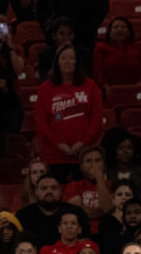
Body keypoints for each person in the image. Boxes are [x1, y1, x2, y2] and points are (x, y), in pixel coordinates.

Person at [35, 44, 104, 181]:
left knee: (86, 192)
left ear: (77, 62)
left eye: (71, 58)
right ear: (57, 62)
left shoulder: (90, 85)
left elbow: (96, 119)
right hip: (54, 155)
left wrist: (83, 142)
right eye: (63, 58)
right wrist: (58, 144)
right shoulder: (45, 89)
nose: (67, 62)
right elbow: (40, 122)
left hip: (84, 154)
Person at [15, 174, 90, 250]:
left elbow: (85, 243)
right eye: (44, 188)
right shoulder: (23, 215)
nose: (49, 191)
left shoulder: (76, 212)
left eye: (54, 188)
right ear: (36, 191)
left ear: (61, 191)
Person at [92, 16, 141, 88]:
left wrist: (139, 86)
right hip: (108, 89)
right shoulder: (100, 48)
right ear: (109, 32)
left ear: (129, 31)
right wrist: (106, 87)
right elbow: (97, 71)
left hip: (136, 88)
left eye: (123, 27)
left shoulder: (138, 47)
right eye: (115, 27)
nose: (120, 29)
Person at [64, 145, 114, 223]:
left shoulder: (113, 185)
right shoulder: (73, 186)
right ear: (82, 166)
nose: (94, 164)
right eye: (88, 161)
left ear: (104, 164)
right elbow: (75, 213)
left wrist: (100, 180)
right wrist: (102, 212)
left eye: (98, 160)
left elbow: (107, 209)